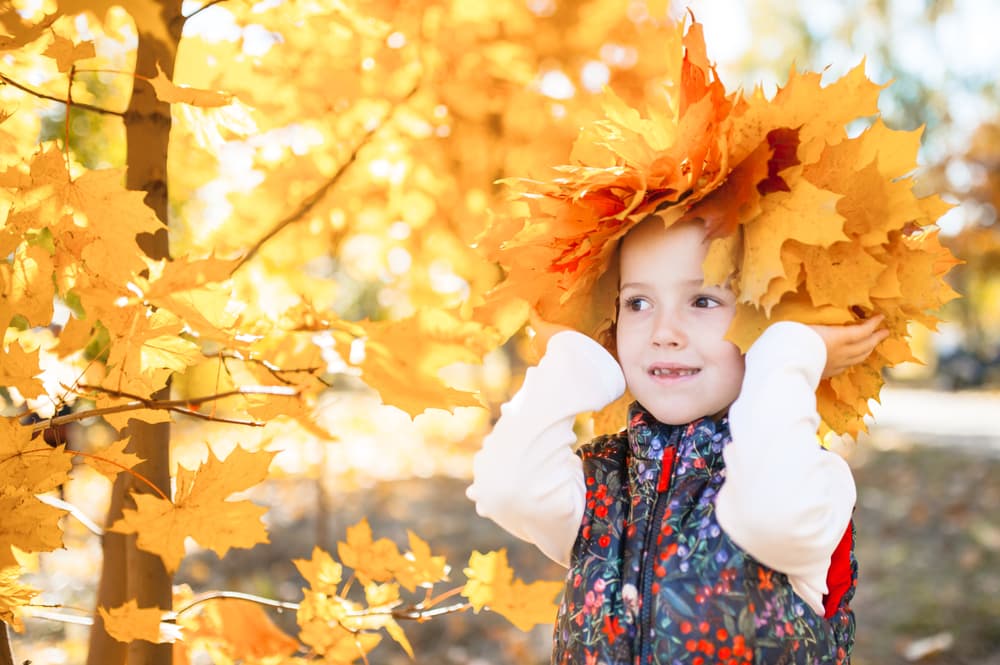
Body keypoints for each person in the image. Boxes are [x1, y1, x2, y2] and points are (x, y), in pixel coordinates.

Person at [466, 215, 889, 664]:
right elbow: (507, 488)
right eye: (637, 303)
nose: (663, 333)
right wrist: (577, 359)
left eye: (704, 300)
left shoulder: (810, 478)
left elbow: (770, 517)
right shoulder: (602, 483)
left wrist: (790, 351)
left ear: (770, 327)